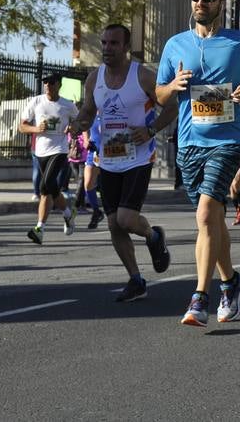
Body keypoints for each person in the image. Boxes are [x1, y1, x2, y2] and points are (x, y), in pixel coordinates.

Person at [157, 0, 240, 327]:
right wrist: (173, 86)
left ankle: (199, 297)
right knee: (212, 220)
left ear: (221, 3)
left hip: (228, 140)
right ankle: (231, 281)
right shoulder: (176, 45)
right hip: (190, 143)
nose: (200, 3)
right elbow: (159, 95)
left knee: (207, 214)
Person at [73, 24, 171, 304]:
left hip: (139, 158)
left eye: (113, 43)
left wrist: (151, 130)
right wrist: (78, 124)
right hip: (109, 159)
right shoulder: (94, 78)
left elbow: (171, 107)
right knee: (114, 225)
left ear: (126, 47)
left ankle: (153, 237)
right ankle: (136, 280)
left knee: (127, 220)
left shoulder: (142, 76)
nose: (106, 48)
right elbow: (89, 111)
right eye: (103, 42)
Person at [19, 72, 78, 244]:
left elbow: (81, 122)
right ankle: (68, 213)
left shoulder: (67, 105)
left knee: (44, 186)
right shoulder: (36, 101)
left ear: (59, 84)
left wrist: (72, 127)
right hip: (41, 152)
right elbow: (22, 126)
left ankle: (39, 229)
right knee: (51, 188)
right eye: (45, 82)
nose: (47, 85)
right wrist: (37, 129)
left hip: (59, 150)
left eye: (51, 82)